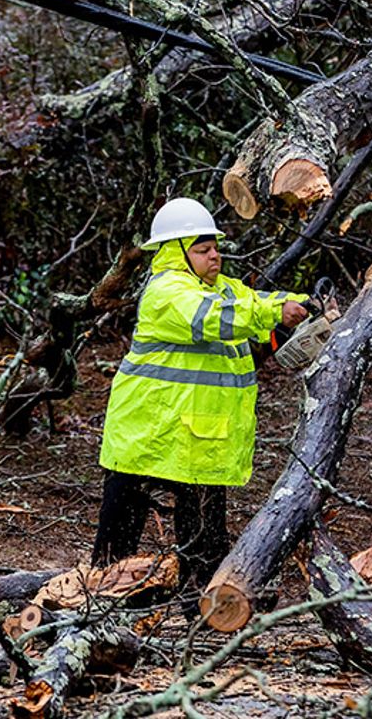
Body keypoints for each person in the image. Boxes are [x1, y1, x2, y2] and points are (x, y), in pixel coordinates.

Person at [93, 197, 309, 618]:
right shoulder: (167, 292)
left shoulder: (223, 287)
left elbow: (253, 299)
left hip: (197, 432)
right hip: (148, 429)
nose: (215, 255)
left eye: (215, 246)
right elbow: (214, 317)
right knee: (119, 535)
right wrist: (272, 312)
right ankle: (95, 603)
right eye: (203, 248)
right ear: (176, 252)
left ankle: (204, 609)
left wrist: (296, 303)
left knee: (205, 535)